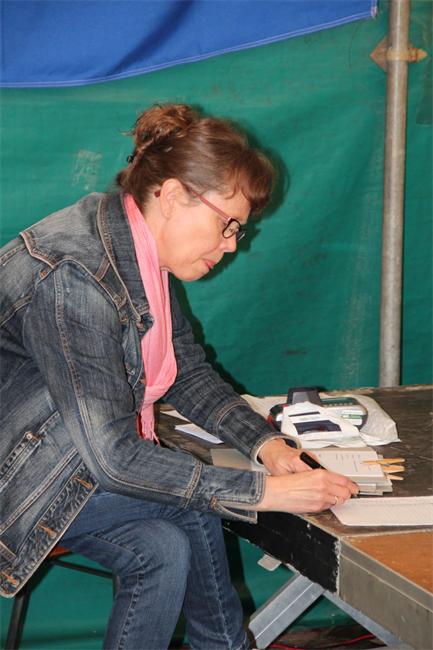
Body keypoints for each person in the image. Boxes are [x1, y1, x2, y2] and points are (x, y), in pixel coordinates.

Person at [0, 103, 357, 650]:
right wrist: (264, 491)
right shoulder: (76, 274)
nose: (233, 243)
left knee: (162, 550)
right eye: (227, 224)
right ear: (171, 196)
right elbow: (115, 459)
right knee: (185, 503)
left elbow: (186, 372)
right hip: (18, 478)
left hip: (62, 461)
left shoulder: (136, 250)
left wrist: (266, 445)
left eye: (239, 229)